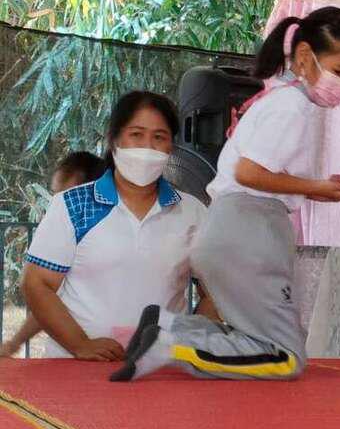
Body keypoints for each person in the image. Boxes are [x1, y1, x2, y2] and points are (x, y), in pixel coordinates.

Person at [111, 7, 340, 382]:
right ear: (304, 56)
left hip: (228, 227)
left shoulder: (277, 97)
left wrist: (318, 190)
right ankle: (170, 345)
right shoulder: (292, 107)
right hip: (251, 230)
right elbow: (248, 173)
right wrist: (317, 188)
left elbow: (252, 172)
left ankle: (168, 327)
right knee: (284, 357)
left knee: (254, 338)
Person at [22, 93, 209, 360]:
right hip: (74, 367)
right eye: (136, 134)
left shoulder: (192, 211)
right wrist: (80, 345)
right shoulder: (73, 204)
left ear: (171, 146)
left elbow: (216, 294)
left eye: (159, 137)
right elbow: (37, 283)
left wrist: (189, 342)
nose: (147, 147)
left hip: (157, 368)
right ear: (114, 140)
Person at [0, 152, 106, 358]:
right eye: (56, 196)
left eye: (67, 196)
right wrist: (13, 344)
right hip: (67, 360)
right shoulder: (61, 237)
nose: (59, 205)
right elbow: (47, 301)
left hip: (109, 358)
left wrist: (14, 343)